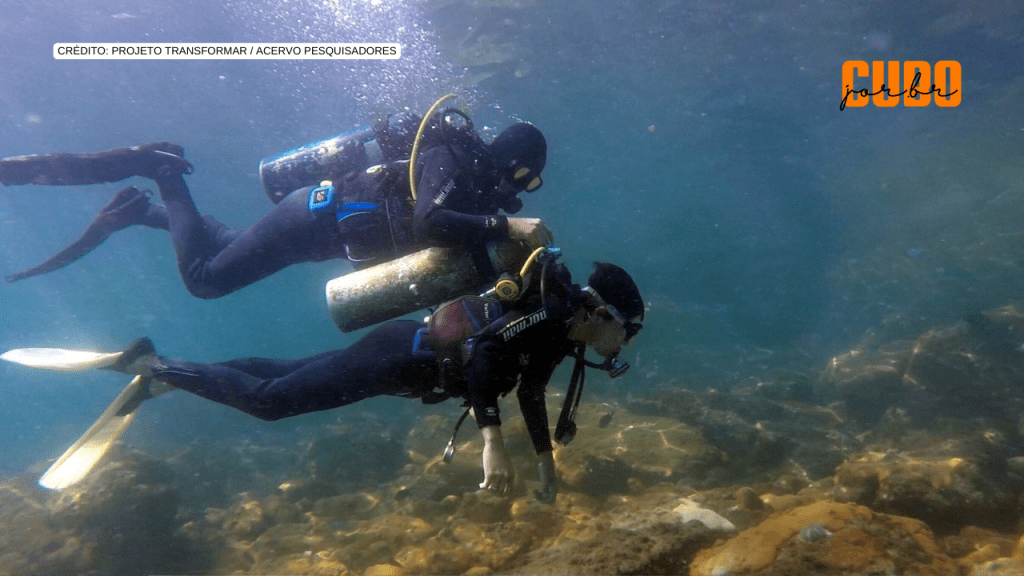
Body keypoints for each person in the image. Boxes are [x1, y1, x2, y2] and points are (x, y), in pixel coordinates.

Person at [99, 259, 644, 502]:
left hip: (400, 357)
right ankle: (157, 367)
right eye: (628, 334)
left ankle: (174, 377)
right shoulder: (549, 313)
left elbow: (527, 392)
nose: (622, 349)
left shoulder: (560, 334)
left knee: (288, 376)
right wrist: (492, 444)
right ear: (605, 316)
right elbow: (481, 352)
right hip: (398, 358)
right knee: (271, 403)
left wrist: (547, 466)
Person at [0, 111, 549, 299]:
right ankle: (163, 172)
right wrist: (507, 223)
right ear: (512, 160)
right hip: (314, 216)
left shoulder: (464, 180)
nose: (518, 188)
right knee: (205, 279)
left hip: (317, 229)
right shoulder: (449, 157)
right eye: (524, 176)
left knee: (221, 242)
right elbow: (432, 221)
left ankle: (142, 211)